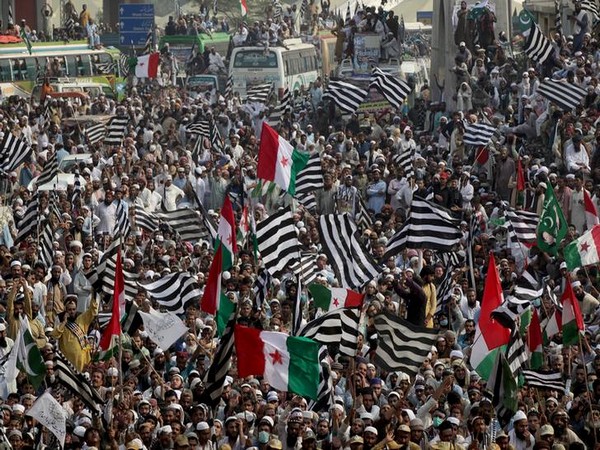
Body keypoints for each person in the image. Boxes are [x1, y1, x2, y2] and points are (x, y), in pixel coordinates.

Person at [51, 295, 98, 371]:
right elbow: (54, 335)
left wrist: (94, 294)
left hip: (83, 360)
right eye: (69, 310)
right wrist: (64, 322)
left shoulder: (81, 317)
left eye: (74, 309)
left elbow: (92, 311)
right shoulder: (60, 318)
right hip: (67, 361)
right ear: (65, 309)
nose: (72, 312)